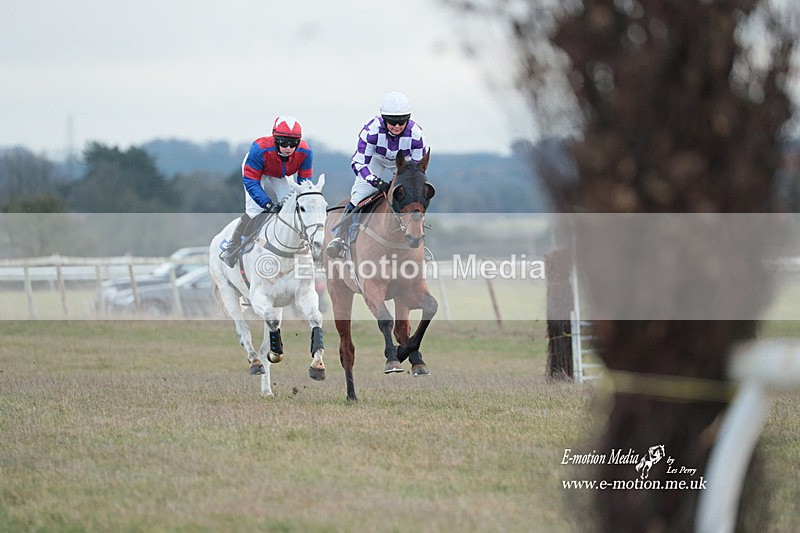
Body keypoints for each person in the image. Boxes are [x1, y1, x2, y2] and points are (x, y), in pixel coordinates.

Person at [326, 91, 427, 259]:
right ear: (383, 119)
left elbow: (417, 171)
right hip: (376, 160)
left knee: (413, 198)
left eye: (402, 121)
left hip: (404, 163)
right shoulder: (371, 131)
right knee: (359, 195)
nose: (397, 126)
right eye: (392, 122)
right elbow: (358, 163)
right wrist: (377, 182)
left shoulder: (416, 134)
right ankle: (339, 237)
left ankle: (419, 239)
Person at [220, 115, 313, 268]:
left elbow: (304, 184)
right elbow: (251, 182)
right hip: (258, 172)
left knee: (291, 206)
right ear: (275, 139)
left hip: (280, 173)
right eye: (283, 142)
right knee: (255, 209)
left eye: (293, 143)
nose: (289, 147)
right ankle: (232, 247)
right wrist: (267, 204)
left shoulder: (306, 152)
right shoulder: (259, 149)